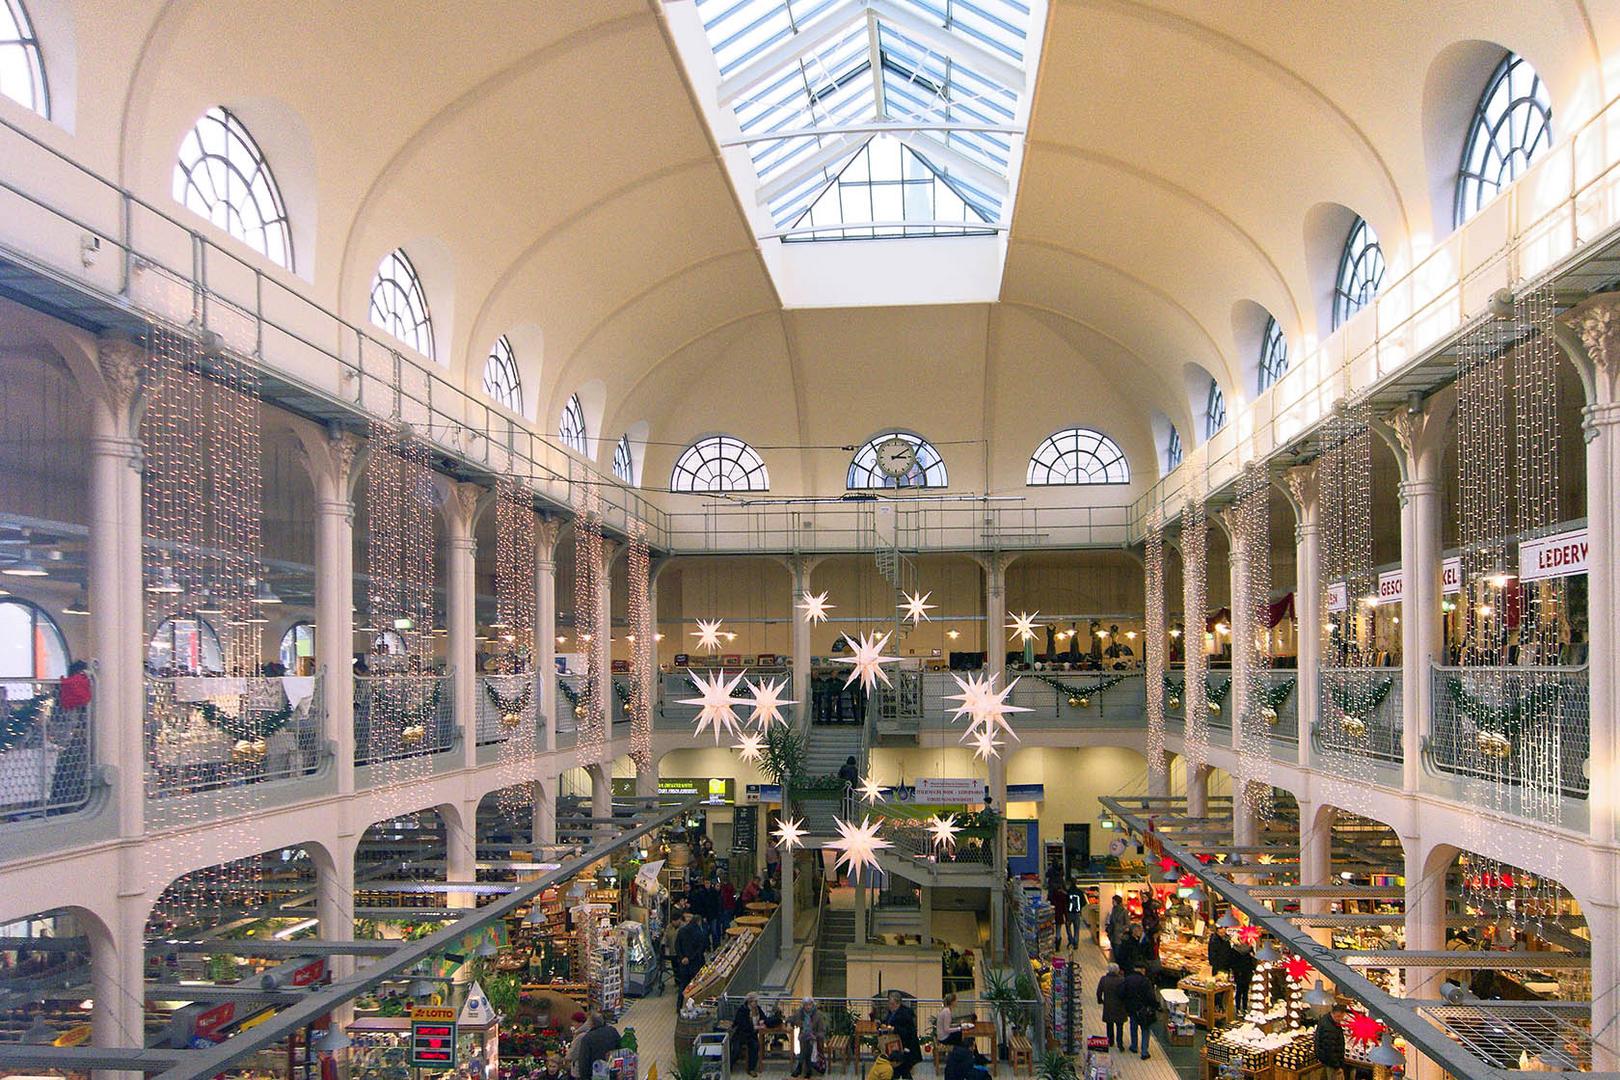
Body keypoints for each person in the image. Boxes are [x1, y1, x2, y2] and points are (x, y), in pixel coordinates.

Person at [1120, 965, 1158, 1061]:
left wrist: (1126, 1003)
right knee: (1145, 1029)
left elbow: (1121, 992)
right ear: (1142, 969)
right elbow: (1150, 996)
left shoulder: (1128, 979)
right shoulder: (1146, 981)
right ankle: (1144, 1052)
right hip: (1144, 1009)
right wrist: (1154, 1006)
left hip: (1132, 1008)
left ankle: (1134, 1046)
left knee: (1133, 1026)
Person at [884, 990, 922, 1080]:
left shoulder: (905, 1014)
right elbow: (887, 1022)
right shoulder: (892, 1012)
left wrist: (895, 1029)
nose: (890, 1006)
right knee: (902, 1071)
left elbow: (909, 1031)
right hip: (897, 1045)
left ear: (897, 1003)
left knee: (900, 1070)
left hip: (906, 1047)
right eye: (889, 1003)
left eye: (891, 1004)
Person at [577, 1011, 621, 1080]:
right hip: (612, 1071)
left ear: (591, 1024)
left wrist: (584, 1077)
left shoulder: (587, 1038)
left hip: (595, 1073)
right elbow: (620, 1048)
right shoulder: (612, 1030)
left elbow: (584, 1062)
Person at [790, 997, 827, 1078]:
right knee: (805, 1045)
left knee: (806, 1047)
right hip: (804, 1035)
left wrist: (816, 1036)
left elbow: (822, 1030)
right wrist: (796, 1023)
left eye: (809, 1005)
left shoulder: (818, 1015)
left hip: (814, 1037)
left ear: (812, 1005)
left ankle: (800, 1068)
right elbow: (792, 1019)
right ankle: (807, 1070)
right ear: (803, 1005)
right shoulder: (800, 1013)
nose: (808, 1007)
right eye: (806, 1005)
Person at [1096, 963, 1128, 1050]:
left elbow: (1099, 992)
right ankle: (1120, 1043)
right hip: (1120, 1006)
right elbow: (1126, 993)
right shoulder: (1122, 980)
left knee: (1109, 1024)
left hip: (1108, 1005)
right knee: (1120, 1026)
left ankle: (1110, 1041)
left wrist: (1100, 1001)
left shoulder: (1104, 979)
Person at [674, 912, 707, 996]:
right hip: (695, 963)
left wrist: (682, 958)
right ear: (699, 922)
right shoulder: (699, 932)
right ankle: (692, 1002)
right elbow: (700, 949)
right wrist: (690, 958)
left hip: (683, 964)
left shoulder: (681, 930)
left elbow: (677, 946)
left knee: (683, 984)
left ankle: (679, 1005)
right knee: (695, 985)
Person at [1314, 1003, 1350, 1079]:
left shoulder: (1326, 1019)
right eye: (1340, 1017)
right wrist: (1337, 1066)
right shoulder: (1330, 1029)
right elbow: (1330, 1050)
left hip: (1326, 1060)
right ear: (1337, 1014)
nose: (1341, 1019)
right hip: (1331, 1063)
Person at [732, 992, 763, 1077]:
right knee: (738, 1049)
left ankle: (752, 1068)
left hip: (752, 1034)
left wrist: (762, 1021)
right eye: (755, 1001)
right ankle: (730, 1065)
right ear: (750, 1002)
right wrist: (754, 1027)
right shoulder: (742, 1010)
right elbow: (742, 1024)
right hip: (742, 1034)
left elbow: (764, 1017)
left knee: (756, 1045)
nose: (756, 1003)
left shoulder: (758, 1009)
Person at [1229, 939, 1257, 1013]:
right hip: (1239, 972)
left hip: (1247, 971)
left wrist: (1253, 965)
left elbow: (1253, 960)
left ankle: (1244, 1007)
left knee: (1246, 990)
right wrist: (1236, 970)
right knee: (1239, 990)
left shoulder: (1250, 948)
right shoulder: (1235, 950)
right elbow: (1232, 962)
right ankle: (1238, 1008)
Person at [1049, 881, 1069, 948]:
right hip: (1060, 916)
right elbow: (1064, 908)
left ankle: (1052, 944)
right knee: (1058, 930)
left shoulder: (1052, 896)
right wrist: (1066, 917)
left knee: (1051, 930)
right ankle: (1058, 945)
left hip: (1052, 916)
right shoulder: (1063, 897)